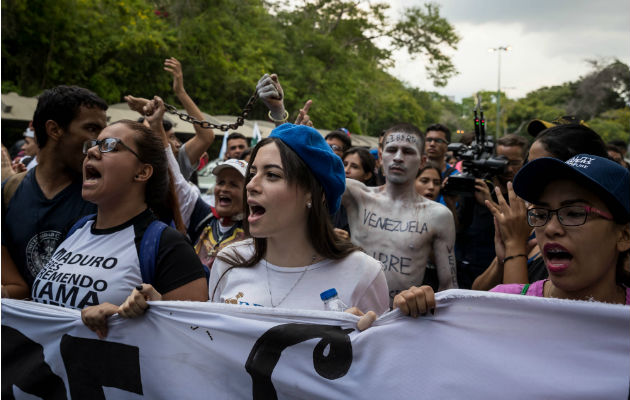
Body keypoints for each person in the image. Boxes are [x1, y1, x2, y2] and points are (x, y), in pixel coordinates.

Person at [113, 123, 389, 316]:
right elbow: (206, 344)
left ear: (312, 195)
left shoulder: (364, 274)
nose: (251, 186)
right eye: (253, 173)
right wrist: (157, 311)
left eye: (272, 175)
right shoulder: (229, 262)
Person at [67, 118, 209, 338]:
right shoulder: (77, 229)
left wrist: (125, 319)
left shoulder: (168, 246)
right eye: (93, 145)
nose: (93, 152)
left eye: (110, 146)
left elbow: (196, 338)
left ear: (142, 172)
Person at [473, 123, 610, 291]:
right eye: (528, 166)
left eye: (574, 213)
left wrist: (515, 247)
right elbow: (478, 293)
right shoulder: (530, 227)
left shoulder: (589, 248)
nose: (552, 229)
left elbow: (521, 313)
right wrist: (504, 258)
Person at [2, 86, 108, 299]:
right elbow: (12, 285)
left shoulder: (105, 196)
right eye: (92, 128)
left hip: (81, 329)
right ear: (54, 129)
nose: (100, 140)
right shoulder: (9, 192)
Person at [491, 154, 630, 304]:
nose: (550, 229)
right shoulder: (501, 304)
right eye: (541, 214)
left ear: (624, 235)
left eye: (574, 213)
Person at [342, 123, 457, 303]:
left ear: (423, 161)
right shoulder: (357, 195)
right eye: (392, 150)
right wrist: (280, 115)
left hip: (400, 319)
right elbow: (302, 176)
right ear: (380, 157)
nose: (398, 157)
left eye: (408, 152)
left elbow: (448, 287)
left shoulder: (438, 216)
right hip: (350, 312)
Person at [454, 133, 529, 289]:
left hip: (504, 272)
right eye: (502, 161)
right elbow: (458, 228)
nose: (508, 168)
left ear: (524, 161)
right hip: (467, 271)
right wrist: (449, 201)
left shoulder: (526, 193)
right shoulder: (478, 185)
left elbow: (517, 233)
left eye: (514, 162)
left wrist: (489, 203)